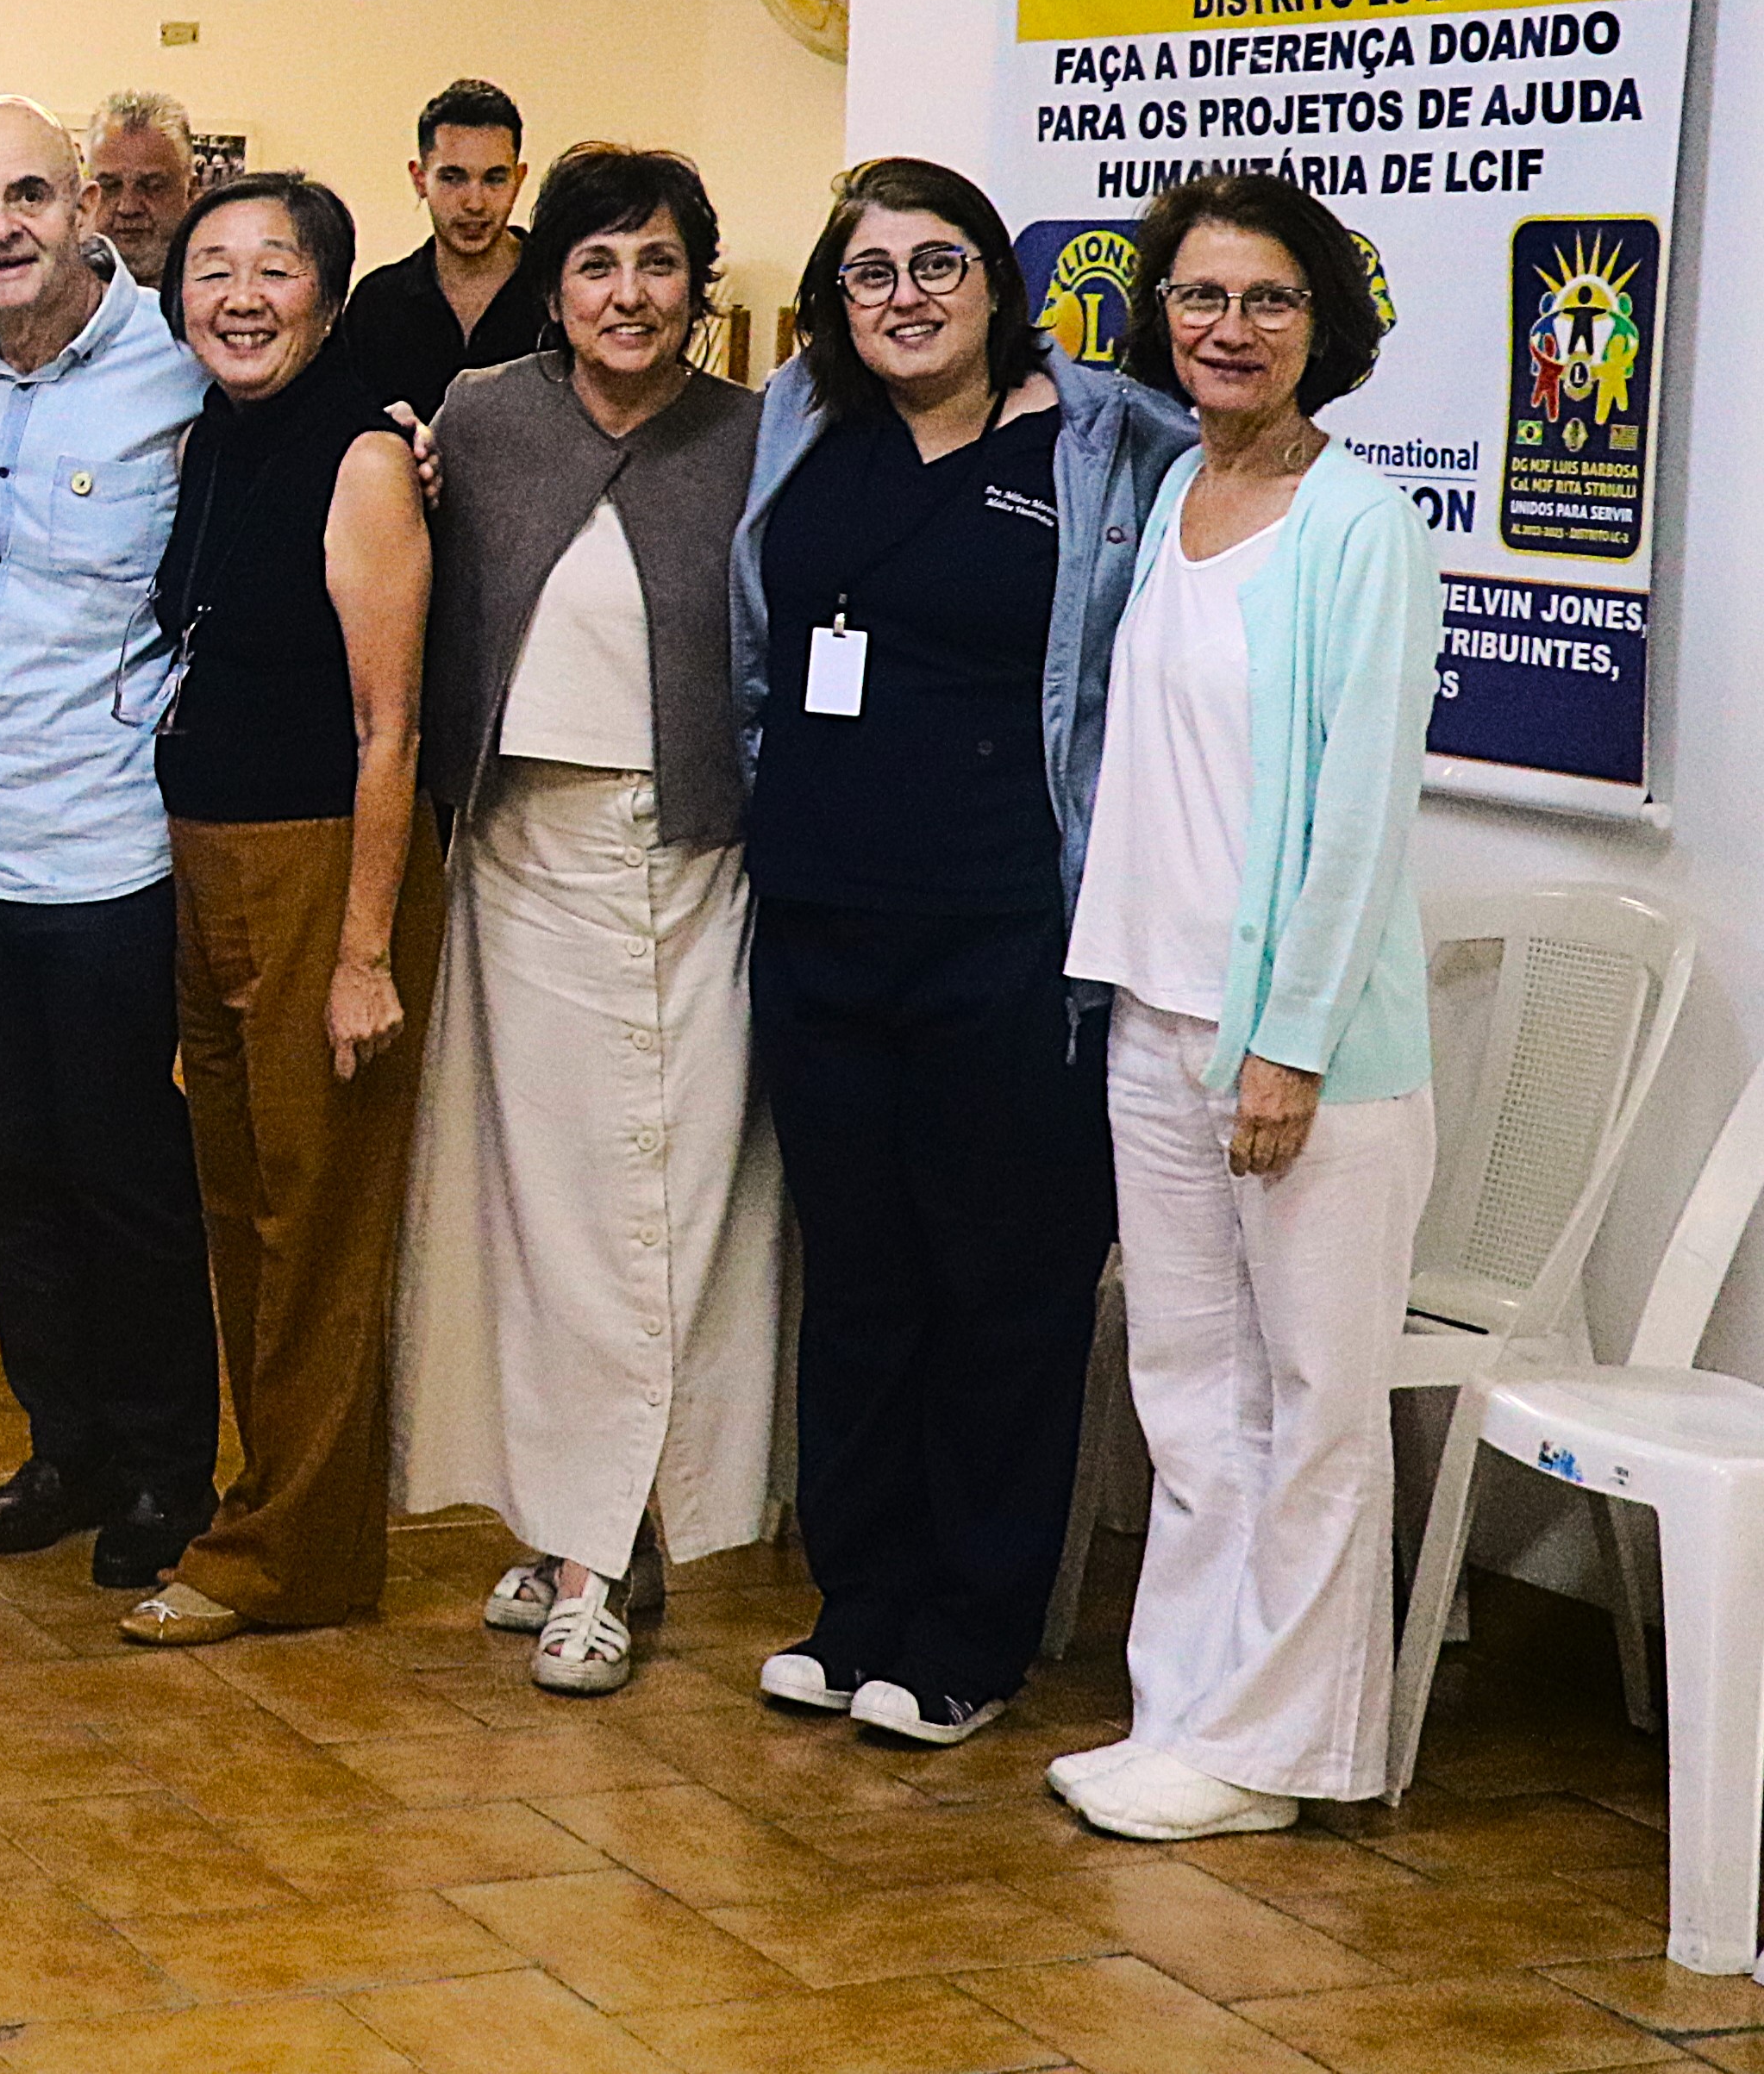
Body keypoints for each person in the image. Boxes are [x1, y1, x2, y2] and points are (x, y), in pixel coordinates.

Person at [729, 159, 1194, 1746]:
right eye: (869, 274)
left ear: (998, 283)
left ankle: (970, 1635)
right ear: (831, 304)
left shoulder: (1104, 445)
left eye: (937, 264)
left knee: (1001, 1287)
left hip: (1006, 934)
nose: (904, 297)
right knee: (857, 1283)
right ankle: (858, 1602)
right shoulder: (804, 426)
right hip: (817, 925)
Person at [1043, 175, 1441, 1843]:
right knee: (1191, 1394)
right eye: (1200, 297)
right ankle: (1186, 1718)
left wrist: (1283, 1039)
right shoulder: (1171, 491)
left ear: (1321, 325)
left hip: (1304, 1053)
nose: (1228, 327)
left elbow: (1357, 816)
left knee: (1310, 1402)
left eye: (1266, 299)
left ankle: (1279, 1750)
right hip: (1152, 1011)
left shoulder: (1359, 527)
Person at [392, 145, 774, 1701]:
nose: (631, 295)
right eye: (600, 264)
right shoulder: (484, 418)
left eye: (662, 264)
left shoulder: (761, 436)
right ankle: (568, 1525)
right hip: (520, 863)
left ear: (700, 284)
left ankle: (607, 1551)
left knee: (673, 1217)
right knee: (541, 1219)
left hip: (694, 870)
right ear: (553, 285)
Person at [0, 98, 221, 1594]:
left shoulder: (181, 368)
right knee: (11, 1173)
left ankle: (163, 1467)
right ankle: (62, 1446)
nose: (0, 225)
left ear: (83, 204)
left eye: (28, 193)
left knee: (123, 1175)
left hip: (95, 849)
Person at [116, 173, 440, 1649]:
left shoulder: (364, 458)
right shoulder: (210, 444)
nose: (239, 296)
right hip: (205, 855)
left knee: (316, 1223)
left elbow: (391, 727)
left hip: (320, 866)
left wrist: (365, 951)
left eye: (276, 268)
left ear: (328, 289)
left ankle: (293, 1558)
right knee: (244, 1209)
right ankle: (270, 1511)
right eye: (211, 270)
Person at [337, 80, 541, 417]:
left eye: (494, 179)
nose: (474, 203)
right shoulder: (376, 305)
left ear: (518, 180)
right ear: (420, 179)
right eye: (452, 177)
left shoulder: (563, 293)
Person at [84, 88, 202, 282]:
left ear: (191, 192)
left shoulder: (222, 300)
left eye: (152, 186)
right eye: (111, 187)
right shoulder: (52, 302)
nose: (128, 208)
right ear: (86, 197)